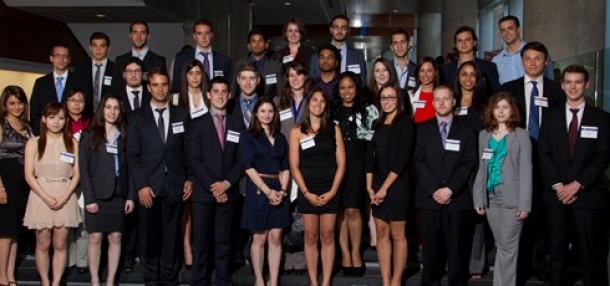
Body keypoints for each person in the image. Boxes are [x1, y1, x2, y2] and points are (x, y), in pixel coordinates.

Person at [538, 65, 610, 286]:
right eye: (568, 82)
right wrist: (559, 186)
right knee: (557, 252)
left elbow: (602, 157)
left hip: (587, 196)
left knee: (590, 254)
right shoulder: (550, 117)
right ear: (562, 85)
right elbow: (543, 153)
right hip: (556, 196)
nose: (573, 86)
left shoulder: (602, 118)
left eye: (578, 82)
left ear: (586, 85)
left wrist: (577, 184)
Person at [499, 41, 564, 283]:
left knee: (544, 214)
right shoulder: (509, 89)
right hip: (517, 162)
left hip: (548, 162)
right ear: (522, 61)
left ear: (545, 61)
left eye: (538, 58)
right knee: (519, 214)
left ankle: (539, 262)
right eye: (528, 58)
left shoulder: (557, 91)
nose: (533, 62)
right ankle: (521, 265)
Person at [126, 67, 192, 285]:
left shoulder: (181, 114)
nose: (160, 89)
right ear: (148, 87)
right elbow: (133, 156)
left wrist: (189, 179)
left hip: (175, 185)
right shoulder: (137, 117)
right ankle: (151, 279)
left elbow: (188, 151)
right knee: (149, 237)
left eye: (164, 84)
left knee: (172, 236)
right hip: (149, 188)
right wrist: (141, 185)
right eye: (155, 85)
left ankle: (169, 278)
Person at [414, 85, 477, 286]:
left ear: (453, 101)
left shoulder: (466, 130)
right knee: (431, 253)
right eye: (437, 99)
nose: (441, 102)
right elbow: (418, 161)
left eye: (446, 99)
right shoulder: (422, 129)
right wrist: (435, 189)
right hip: (428, 200)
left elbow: (469, 162)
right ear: (432, 103)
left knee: (457, 254)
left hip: (457, 200)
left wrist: (450, 189)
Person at [187, 76, 244, 286]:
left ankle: (223, 281)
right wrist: (214, 187)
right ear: (208, 95)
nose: (220, 95)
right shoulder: (197, 124)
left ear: (229, 96)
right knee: (201, 242)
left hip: (229, 193)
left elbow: (242, 159)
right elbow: (194, 160)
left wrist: (226, 184)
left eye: (224, 92)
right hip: (204, 194)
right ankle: (199, 281)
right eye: (216, 91)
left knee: (224, 242)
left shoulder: (238, 124)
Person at [473, 92, 532, 286]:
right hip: (491, 197)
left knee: (507, 248)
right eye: (497, 107)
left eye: (505, 107)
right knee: (502, 245)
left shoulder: (521, 135)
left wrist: (525, 203)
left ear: (512, 110)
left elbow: (526, 170)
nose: (500, 110)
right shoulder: (484, 135)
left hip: (512, 199)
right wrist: (478, 198)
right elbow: (482, 168)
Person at [288, 87, 346, 286]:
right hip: (308, 190)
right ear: (308, 103)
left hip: (330, 189)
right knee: (311, 236)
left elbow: (342, 164)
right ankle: (314, 281)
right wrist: (305, 192)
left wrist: (332, 192)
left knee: (328, 235)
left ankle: (326, 281)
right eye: (315, 100)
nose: (318, 104)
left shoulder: (333, 128)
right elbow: (294, 167)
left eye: (322, 101)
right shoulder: (296, 131)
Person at [23, 102, 81, 286]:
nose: (56, 122)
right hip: (40, 195)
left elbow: (77, 173)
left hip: (65, 195)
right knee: (42, 244)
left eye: (61, 118)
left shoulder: (72, 143)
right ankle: (45, 281)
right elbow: (28, 174)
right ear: (44, 119)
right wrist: (46, 197)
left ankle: (56, 282)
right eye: (52, 117)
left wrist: (64, 197)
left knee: (60, 244)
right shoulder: (34, 142)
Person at [79, 94, 134, 286]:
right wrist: (90, 199)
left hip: (119, 194)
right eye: (108, 107)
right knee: (95, 237)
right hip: (97, 195)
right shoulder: (89, 135)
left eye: (116, 108)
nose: (112, 111)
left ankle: (110, 280)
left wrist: (130, 196)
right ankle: (94, 279)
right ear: (101, 110)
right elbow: (84, 170)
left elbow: (131, 168)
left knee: (116, 236)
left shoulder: (125, 134)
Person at [365, 84, 413, 285]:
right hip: (376, 184)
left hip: (397, 184)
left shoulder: (406, 123)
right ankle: (385, 280)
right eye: (383, 98)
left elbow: (402, 158)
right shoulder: (376, 124)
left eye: (391, 97)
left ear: (399, 100)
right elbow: (369, 157)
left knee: (397, 233)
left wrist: (385, 188)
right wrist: (370, 187)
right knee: (382, 232)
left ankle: (396, 280)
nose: (386, 101)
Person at [239, 98, 290, 286]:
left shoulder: (281, 138)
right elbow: (248, 167)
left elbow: (286, 167)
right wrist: (267, 191)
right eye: (262, 111)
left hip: (278, 189)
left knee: (276, 237)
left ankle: (273, 280)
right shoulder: (248, 136)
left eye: (270, 111)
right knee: (259, 238)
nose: (267, 114)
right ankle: (259, 280)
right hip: (258, 189)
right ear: (256, 114)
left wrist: (283, 191)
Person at [331, 72, 378, 277]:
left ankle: (356, 253)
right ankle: (345, 255)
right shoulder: (332, 110)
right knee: (340, 211)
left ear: (357, 88)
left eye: (350, 87)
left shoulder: (370, 111)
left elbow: (373, 143)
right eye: (342, 88)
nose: (347, 92)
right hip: (335, 165)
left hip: (358, 165)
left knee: (353, 210)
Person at [452, 61, 489, 279]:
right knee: (456, 215)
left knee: (477, 215)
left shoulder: (485, 105)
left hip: (477, 167)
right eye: (463, 74)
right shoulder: (452, 101)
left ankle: (476, 263)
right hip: (454, 167)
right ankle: (454, 260)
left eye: (472, 75)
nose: (468, 79)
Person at [275, 61, 311, 274]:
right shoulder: (280, 103)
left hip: (307, 165)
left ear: (305, 77)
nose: (295, 78)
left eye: (299, 74)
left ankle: (302, 261)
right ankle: (285, 260)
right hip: (284, 165)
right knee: (284, 214)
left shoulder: (314, 101)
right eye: (291, 75)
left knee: (303, 216)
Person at [176, 59, 209, 268]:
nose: (195, 77)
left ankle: (202, 247)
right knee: (186, 205)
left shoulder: (209, 97)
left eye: (198, 73)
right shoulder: (176, 100)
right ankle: (186, 246)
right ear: (185, 76)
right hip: (183, 155)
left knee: (203, 205)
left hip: (206, 157)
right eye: (191, 73)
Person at [0, 86, 32, 286]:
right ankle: (1, 276)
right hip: (6, 182)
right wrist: (0, 187)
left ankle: (11, 274)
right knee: (4, 232)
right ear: (5, 104)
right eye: (12, 103)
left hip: (22, 184)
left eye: (20, 103)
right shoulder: (1, 126)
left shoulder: (27, 126)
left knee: (14, 232)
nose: (17, 107)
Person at [63, 89, 91, 275]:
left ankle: (82, 261)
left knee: (84, 222)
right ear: (66, 102)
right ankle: (67, 260)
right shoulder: (60, 121)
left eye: (80, 100)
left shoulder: (91, 123)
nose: (76, 103)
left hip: (87, 179)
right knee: (66, 223)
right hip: (65, 179)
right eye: (73, 100)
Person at [30, 45, 85, 135]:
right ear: (51, 58)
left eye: (65, 56)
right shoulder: (41, 83)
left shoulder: (80, 82)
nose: (61, 59)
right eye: (58, 55)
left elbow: (85, 110)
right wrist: (40, 134)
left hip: (72, 134)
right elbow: (35, 112)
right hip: (46, 135)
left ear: (69, 59)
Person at [172, 18, 232, 92]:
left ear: (212, 35)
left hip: (216, 101)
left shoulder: (224, 60)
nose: (203, 37)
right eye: (199, 33)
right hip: (190, 101)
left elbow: (227, 87)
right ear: (194, 36)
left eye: (207, 33)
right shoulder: (182, 58)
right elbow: (176, 87)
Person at [492, 15, 554, 84]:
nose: (506, 33)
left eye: (510, 28)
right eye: (503, 30)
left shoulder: (538, 52)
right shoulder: (496, 61)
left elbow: (550, 80)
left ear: (518, 30)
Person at [310, 15, 367, 85]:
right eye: (336, 27)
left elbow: (363, 84)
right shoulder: (316, 57)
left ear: (348, 31)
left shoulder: (358, 57)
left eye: (343, 27)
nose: (339, 31)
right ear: (331, 30)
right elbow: (311, 84)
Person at [113, 21, 166, 94]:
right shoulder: (120, 61)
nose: (138, 36)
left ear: (148, 36)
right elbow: (115, 89)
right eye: (135, 32)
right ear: (130, 35)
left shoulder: (158, 61)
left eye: (142, 32)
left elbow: (161, 89)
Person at [442, 26, 500, 93]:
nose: (463, 43)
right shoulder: (446, 69)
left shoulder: (489, 67)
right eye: (460, 40)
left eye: (467, 39)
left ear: (474, 42)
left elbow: (495, 94)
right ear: (456, 45)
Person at [232, 29, 283, 98]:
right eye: (253, 41)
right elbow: (233, 93)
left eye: (260, 41)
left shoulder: (276, 67)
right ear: (249, 46)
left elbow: (280, 94)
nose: (257, 44)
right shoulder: (238, 65)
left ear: (266, 45)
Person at [73, 31, 116, 111]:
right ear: (90, 47)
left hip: (108, 114)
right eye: (95, 45)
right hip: (85, 114)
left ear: (108, 49)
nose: (98, 49)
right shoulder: (80, 68)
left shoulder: (116, 68)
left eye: (102, 46)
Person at [230, 63, 261, 129]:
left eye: (252, 78)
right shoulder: (229, 105)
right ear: (238, 80)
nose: (248, 83)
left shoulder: (265, 104)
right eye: (244, 78)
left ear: (258, 80)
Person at [409, 56, 439, 124]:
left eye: (429, 70)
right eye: (422, 71)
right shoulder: (409, 95)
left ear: (436, 73)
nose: (425, 75)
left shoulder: (443, 95)